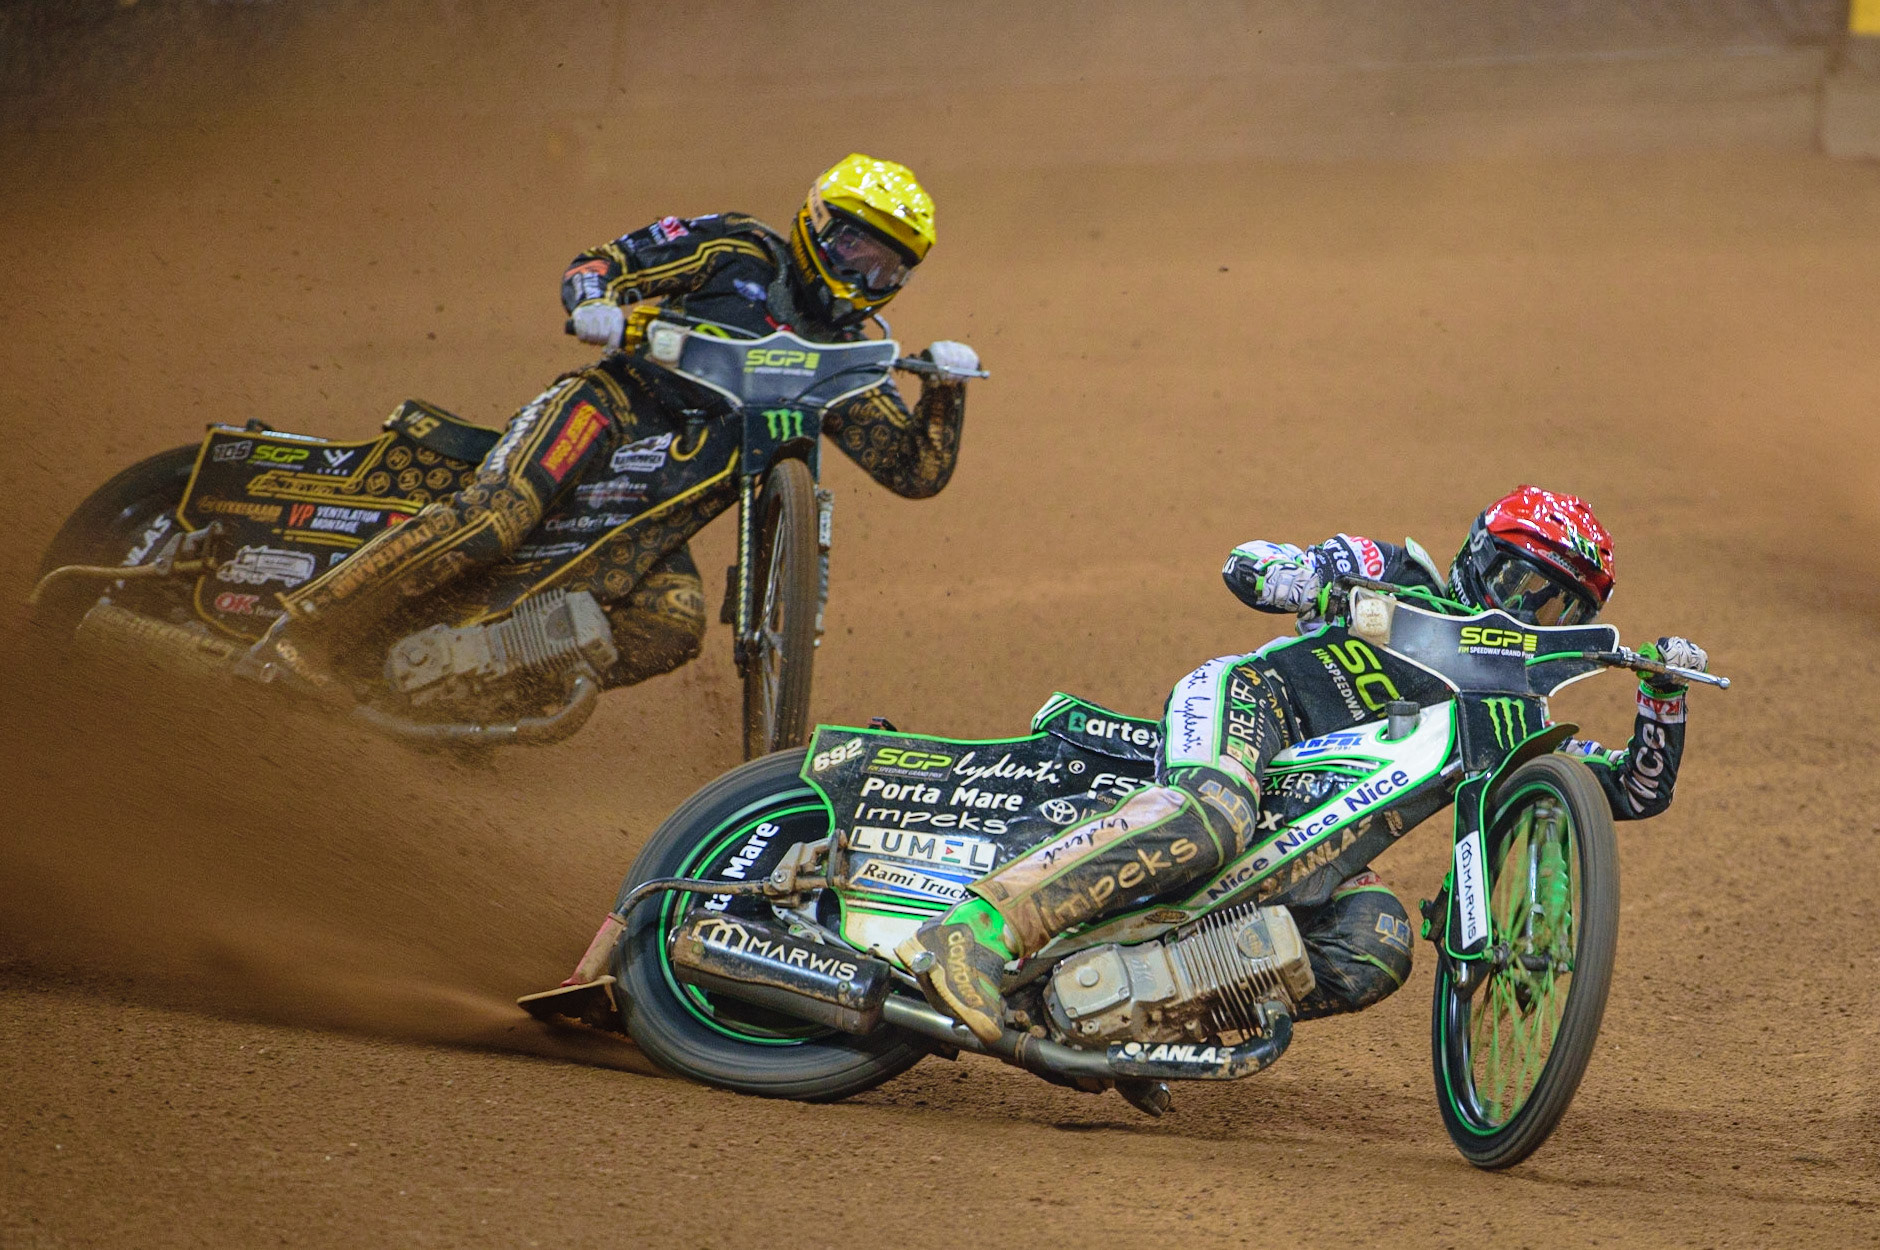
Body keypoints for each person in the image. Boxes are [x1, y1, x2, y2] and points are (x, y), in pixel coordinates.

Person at [897, 485, 1709, 1044]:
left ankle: (1128, 1022)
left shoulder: (1513, 719)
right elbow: (1246, 561)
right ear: (1480, 557)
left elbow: (1634, 791)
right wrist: (1307, 577)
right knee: (1212, 816)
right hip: (1254, 712)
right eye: (1523, 583)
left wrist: (1664, 696)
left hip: (1310, 839)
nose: (1531, 612)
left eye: (1562, 606)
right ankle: (975, 934)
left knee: (1378, 938)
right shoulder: (1403, 573)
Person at [248, 154, 980, 693]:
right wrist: (593, 302)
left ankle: (458, 700)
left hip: (662, 505)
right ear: (817, 224)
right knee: (498, 517)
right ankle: (300, 631)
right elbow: (604, 261)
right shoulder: (736, 250)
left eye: (888, 267)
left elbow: (914, 471)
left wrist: (946, 388)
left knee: (673, 622)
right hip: (609, 412)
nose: (864, 274)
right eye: (856, 246)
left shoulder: (846, 356)